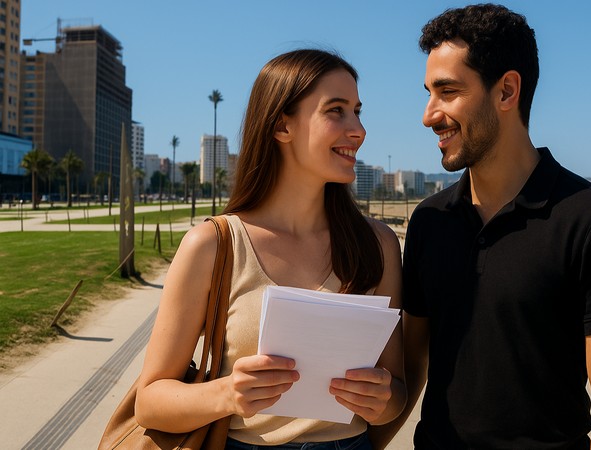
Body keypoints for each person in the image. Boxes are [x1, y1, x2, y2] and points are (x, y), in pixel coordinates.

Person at [377, 4, 591, 449]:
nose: (428, 115)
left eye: (448, 91)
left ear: (506, 91)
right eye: (429, 93)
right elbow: (410, 369)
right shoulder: (430, 221)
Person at [135, 49, 406, 449]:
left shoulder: (378, 244)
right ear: (282, 125)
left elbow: (396, 394)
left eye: (357, 112)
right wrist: (227, 394)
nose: (359, 130)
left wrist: (381, 400)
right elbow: (149, 402)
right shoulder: (213, 245)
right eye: (336, 110)